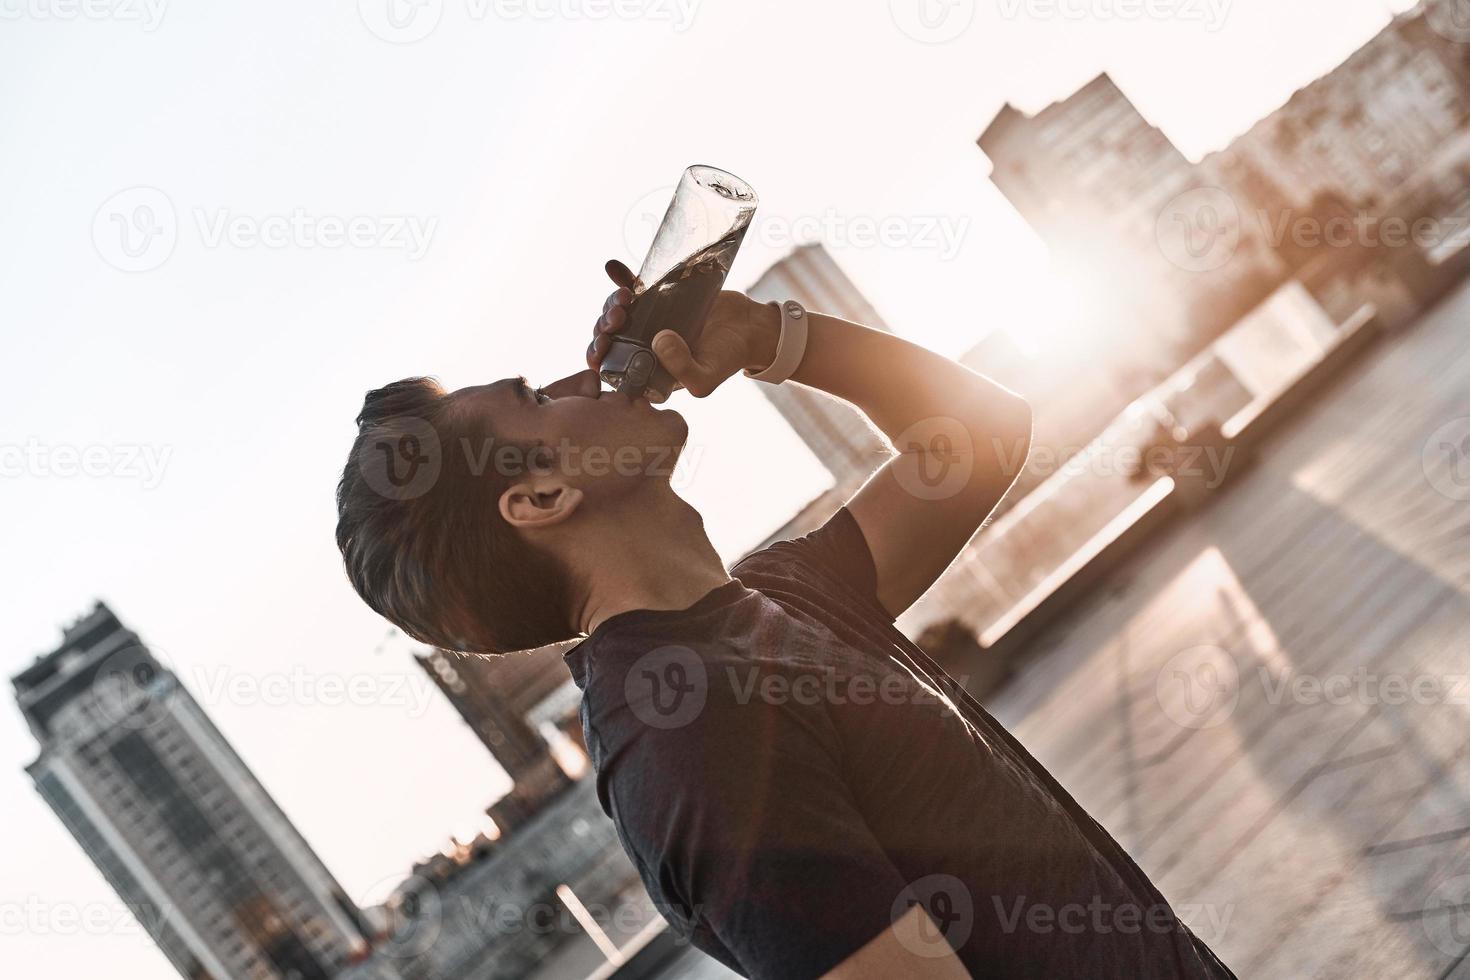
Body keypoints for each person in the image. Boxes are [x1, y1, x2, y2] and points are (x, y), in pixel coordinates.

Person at [335, 259, 1237, 979]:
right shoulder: (687, 741)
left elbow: (978, 436)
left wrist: (768, 336)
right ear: (539, 494)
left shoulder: (774, 600)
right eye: (534, 397)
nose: (584, 377)